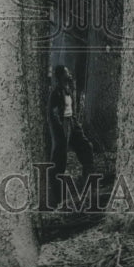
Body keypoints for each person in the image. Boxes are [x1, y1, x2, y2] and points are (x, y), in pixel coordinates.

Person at [47, 64, 94, 209]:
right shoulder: (56, 92)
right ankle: (57, 198)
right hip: (62, 124)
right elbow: (53, 114)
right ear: (61, 75)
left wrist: (74, 123)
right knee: (59, 160)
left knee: (87, 147)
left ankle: (87, 183)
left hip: (72, 122)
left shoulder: (68, 88)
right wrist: (60, 131)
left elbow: (71, 108)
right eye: (66, 72)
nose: (69, 73)